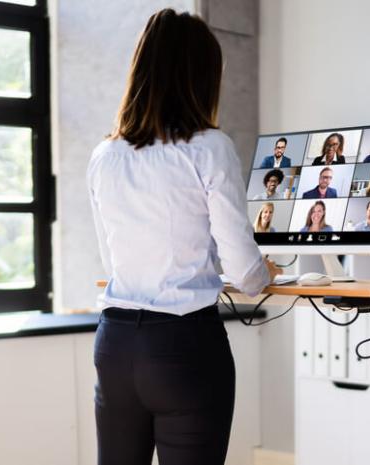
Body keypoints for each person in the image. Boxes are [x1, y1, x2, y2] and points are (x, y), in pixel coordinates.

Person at [86, 10, 281, 465]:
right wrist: (263, 269)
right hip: (183, 349)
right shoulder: (210, 147)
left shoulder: (104, 155)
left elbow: (112, 260)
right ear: (201, 78)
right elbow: (248, 277)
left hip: (114, 345)